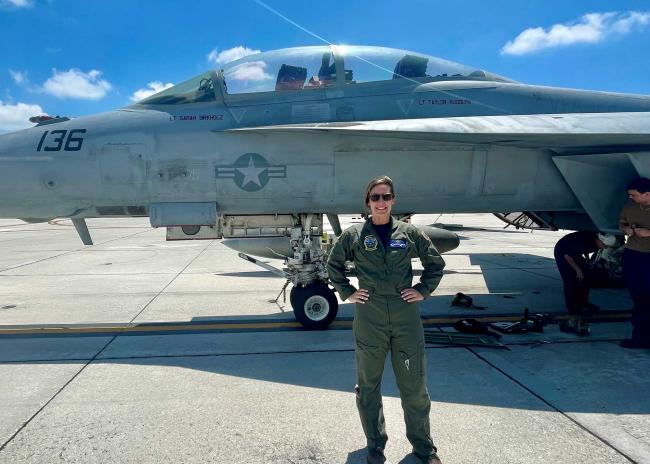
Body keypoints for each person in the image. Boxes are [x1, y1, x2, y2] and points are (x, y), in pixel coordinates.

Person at [327, 176, 445, 464]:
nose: (381, 202)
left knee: (414, 387)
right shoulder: (353, 236)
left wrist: (421, 291)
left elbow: (435, 265)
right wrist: (348, 292)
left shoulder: (409, 233)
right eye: (376, 197)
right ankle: (375, 446)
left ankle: (424, 448)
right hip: (370, 318)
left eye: (386, 196)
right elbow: (333, 265)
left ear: (393, 200)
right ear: (367, 202)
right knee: (368, 387)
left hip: (406, 319)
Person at [619, 177, 650, 349]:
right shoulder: (630, 206)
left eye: (634, 195)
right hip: (633, 256)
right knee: (639, 300)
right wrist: (627, 230)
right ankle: (639, 338)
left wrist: (648, 233)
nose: (631, 198)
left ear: (647, 194)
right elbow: (621, 223)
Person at [553, 231, 615, 315]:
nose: (605, 247)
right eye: (605, 245)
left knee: (586, 276)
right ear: (600, 241)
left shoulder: (597, 243)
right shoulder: (585, 242)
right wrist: (578, 270)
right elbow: (568, 256)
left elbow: (584, 250)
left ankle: (583, 303)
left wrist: (587, 261)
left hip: (574, 252)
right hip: (562, 251)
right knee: (570, 280)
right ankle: (572, 308)